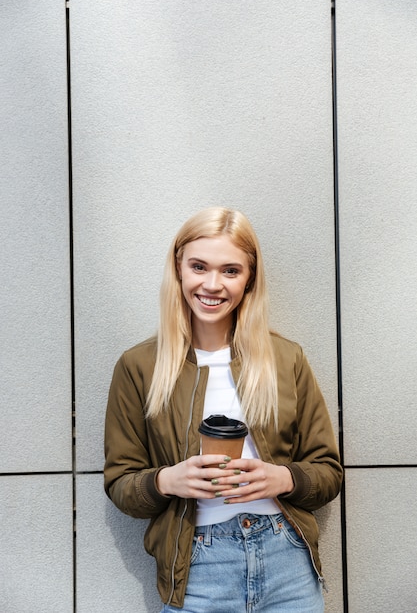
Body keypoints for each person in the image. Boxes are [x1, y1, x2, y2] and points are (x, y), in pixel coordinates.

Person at [104, 207, 343, 613]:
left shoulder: (287, 359)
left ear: (249, 279)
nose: (212, 284)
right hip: (198, 566)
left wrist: (282, 478)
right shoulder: (139, 366)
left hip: (287, 560)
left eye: (230, 270)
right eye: (199, 266)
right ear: (179, 268)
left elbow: (328, 472)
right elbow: (121, 484)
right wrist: (167, 480)